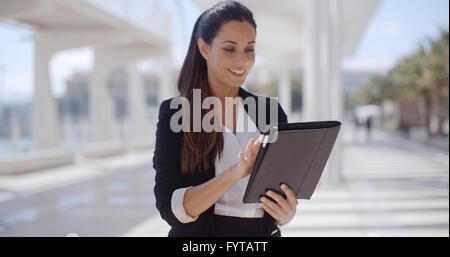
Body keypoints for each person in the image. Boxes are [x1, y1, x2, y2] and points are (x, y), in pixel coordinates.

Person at [153, 0, 297, 237]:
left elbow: (282, 194)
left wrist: (286, 213)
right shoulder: (176, 112)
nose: (242, 60)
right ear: (204, 49)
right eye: (230, 49)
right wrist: (234, 173)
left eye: (249, 48)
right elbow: (170, 208)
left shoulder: (270, 112)